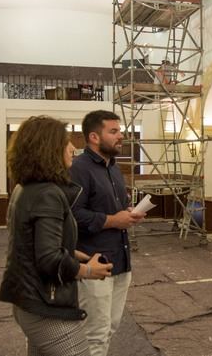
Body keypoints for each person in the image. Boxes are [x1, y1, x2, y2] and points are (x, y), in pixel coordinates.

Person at [0, 116, 112, 356]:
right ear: (47, 149)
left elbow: (29, 245)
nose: (73, 148)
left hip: (27, 299)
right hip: (43, 305)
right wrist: (88, 271)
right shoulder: (48, 193)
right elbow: (48, 259)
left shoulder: (25, 188)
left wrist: (70, 252)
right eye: (66, 143)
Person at [70, 110, 143, 356]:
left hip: (120, 261)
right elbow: (72, 215)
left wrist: (129, 213)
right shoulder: (79, 168)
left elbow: (115, 209)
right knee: (95, 334)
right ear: (94, 137)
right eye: (113, 131)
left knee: (109, 328)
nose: (121, 136)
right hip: (94, 263)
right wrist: (114, 220)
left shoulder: (113, 168)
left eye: (119, 131)